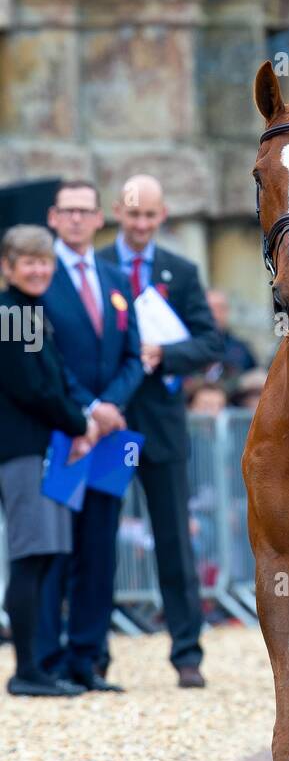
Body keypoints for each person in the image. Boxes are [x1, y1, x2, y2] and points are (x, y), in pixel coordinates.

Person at [100, 175, 222, 690]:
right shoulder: (97, 267)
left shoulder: (183, 271)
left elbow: (210, 341)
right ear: (118, 214)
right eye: (133, 216)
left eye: (150, 217)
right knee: (98, 538)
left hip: (163, 426)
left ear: (162, 215)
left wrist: (164, 355)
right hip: (109, 424)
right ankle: (91, 655)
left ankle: (187, 654)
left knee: (174, 538)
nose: (141, 225)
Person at [36, 180, 144, 693]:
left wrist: (110, 407)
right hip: (59, 432)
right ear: (53, 219)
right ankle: (48, 660)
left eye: (86, 211)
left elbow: (133, 356)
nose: (77, 220)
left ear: (100, 218)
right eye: (67, 211)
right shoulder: (37, 276)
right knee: (55, 548)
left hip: (107, 439)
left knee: (100, 549)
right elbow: (44, 356)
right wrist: (88, 409)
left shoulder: (115, 277)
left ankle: (88, 657)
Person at [0, 226, 99, 696]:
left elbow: (51, 379)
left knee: (44, 558)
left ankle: (39, 665)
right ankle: (26, 672)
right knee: (30, 557)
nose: (39, 270)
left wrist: (75, 423)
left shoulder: (31, 312)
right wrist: (81, 425)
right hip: (22, 450)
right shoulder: (14, 314)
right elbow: (33, 387)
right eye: (28, 262)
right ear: (8, 267)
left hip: (44, 448)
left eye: (44, 262)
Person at [203, 289, 257, 382]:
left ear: (227, 311)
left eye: (220, 308)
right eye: (210, 308)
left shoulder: (242, 350)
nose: (215, 314)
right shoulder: (189, 346)